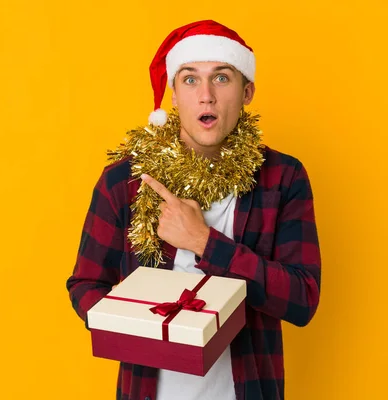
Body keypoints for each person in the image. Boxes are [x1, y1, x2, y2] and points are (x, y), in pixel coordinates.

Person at [66, 20, 321, 400]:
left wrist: (205, 242)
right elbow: (85, 285)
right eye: (189, 79)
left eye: (221, 78)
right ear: (172, 93)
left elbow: (302, 299)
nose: (206, 96)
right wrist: (128, 326)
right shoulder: (125, 181)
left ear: (247, 91)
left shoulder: (283, 178)